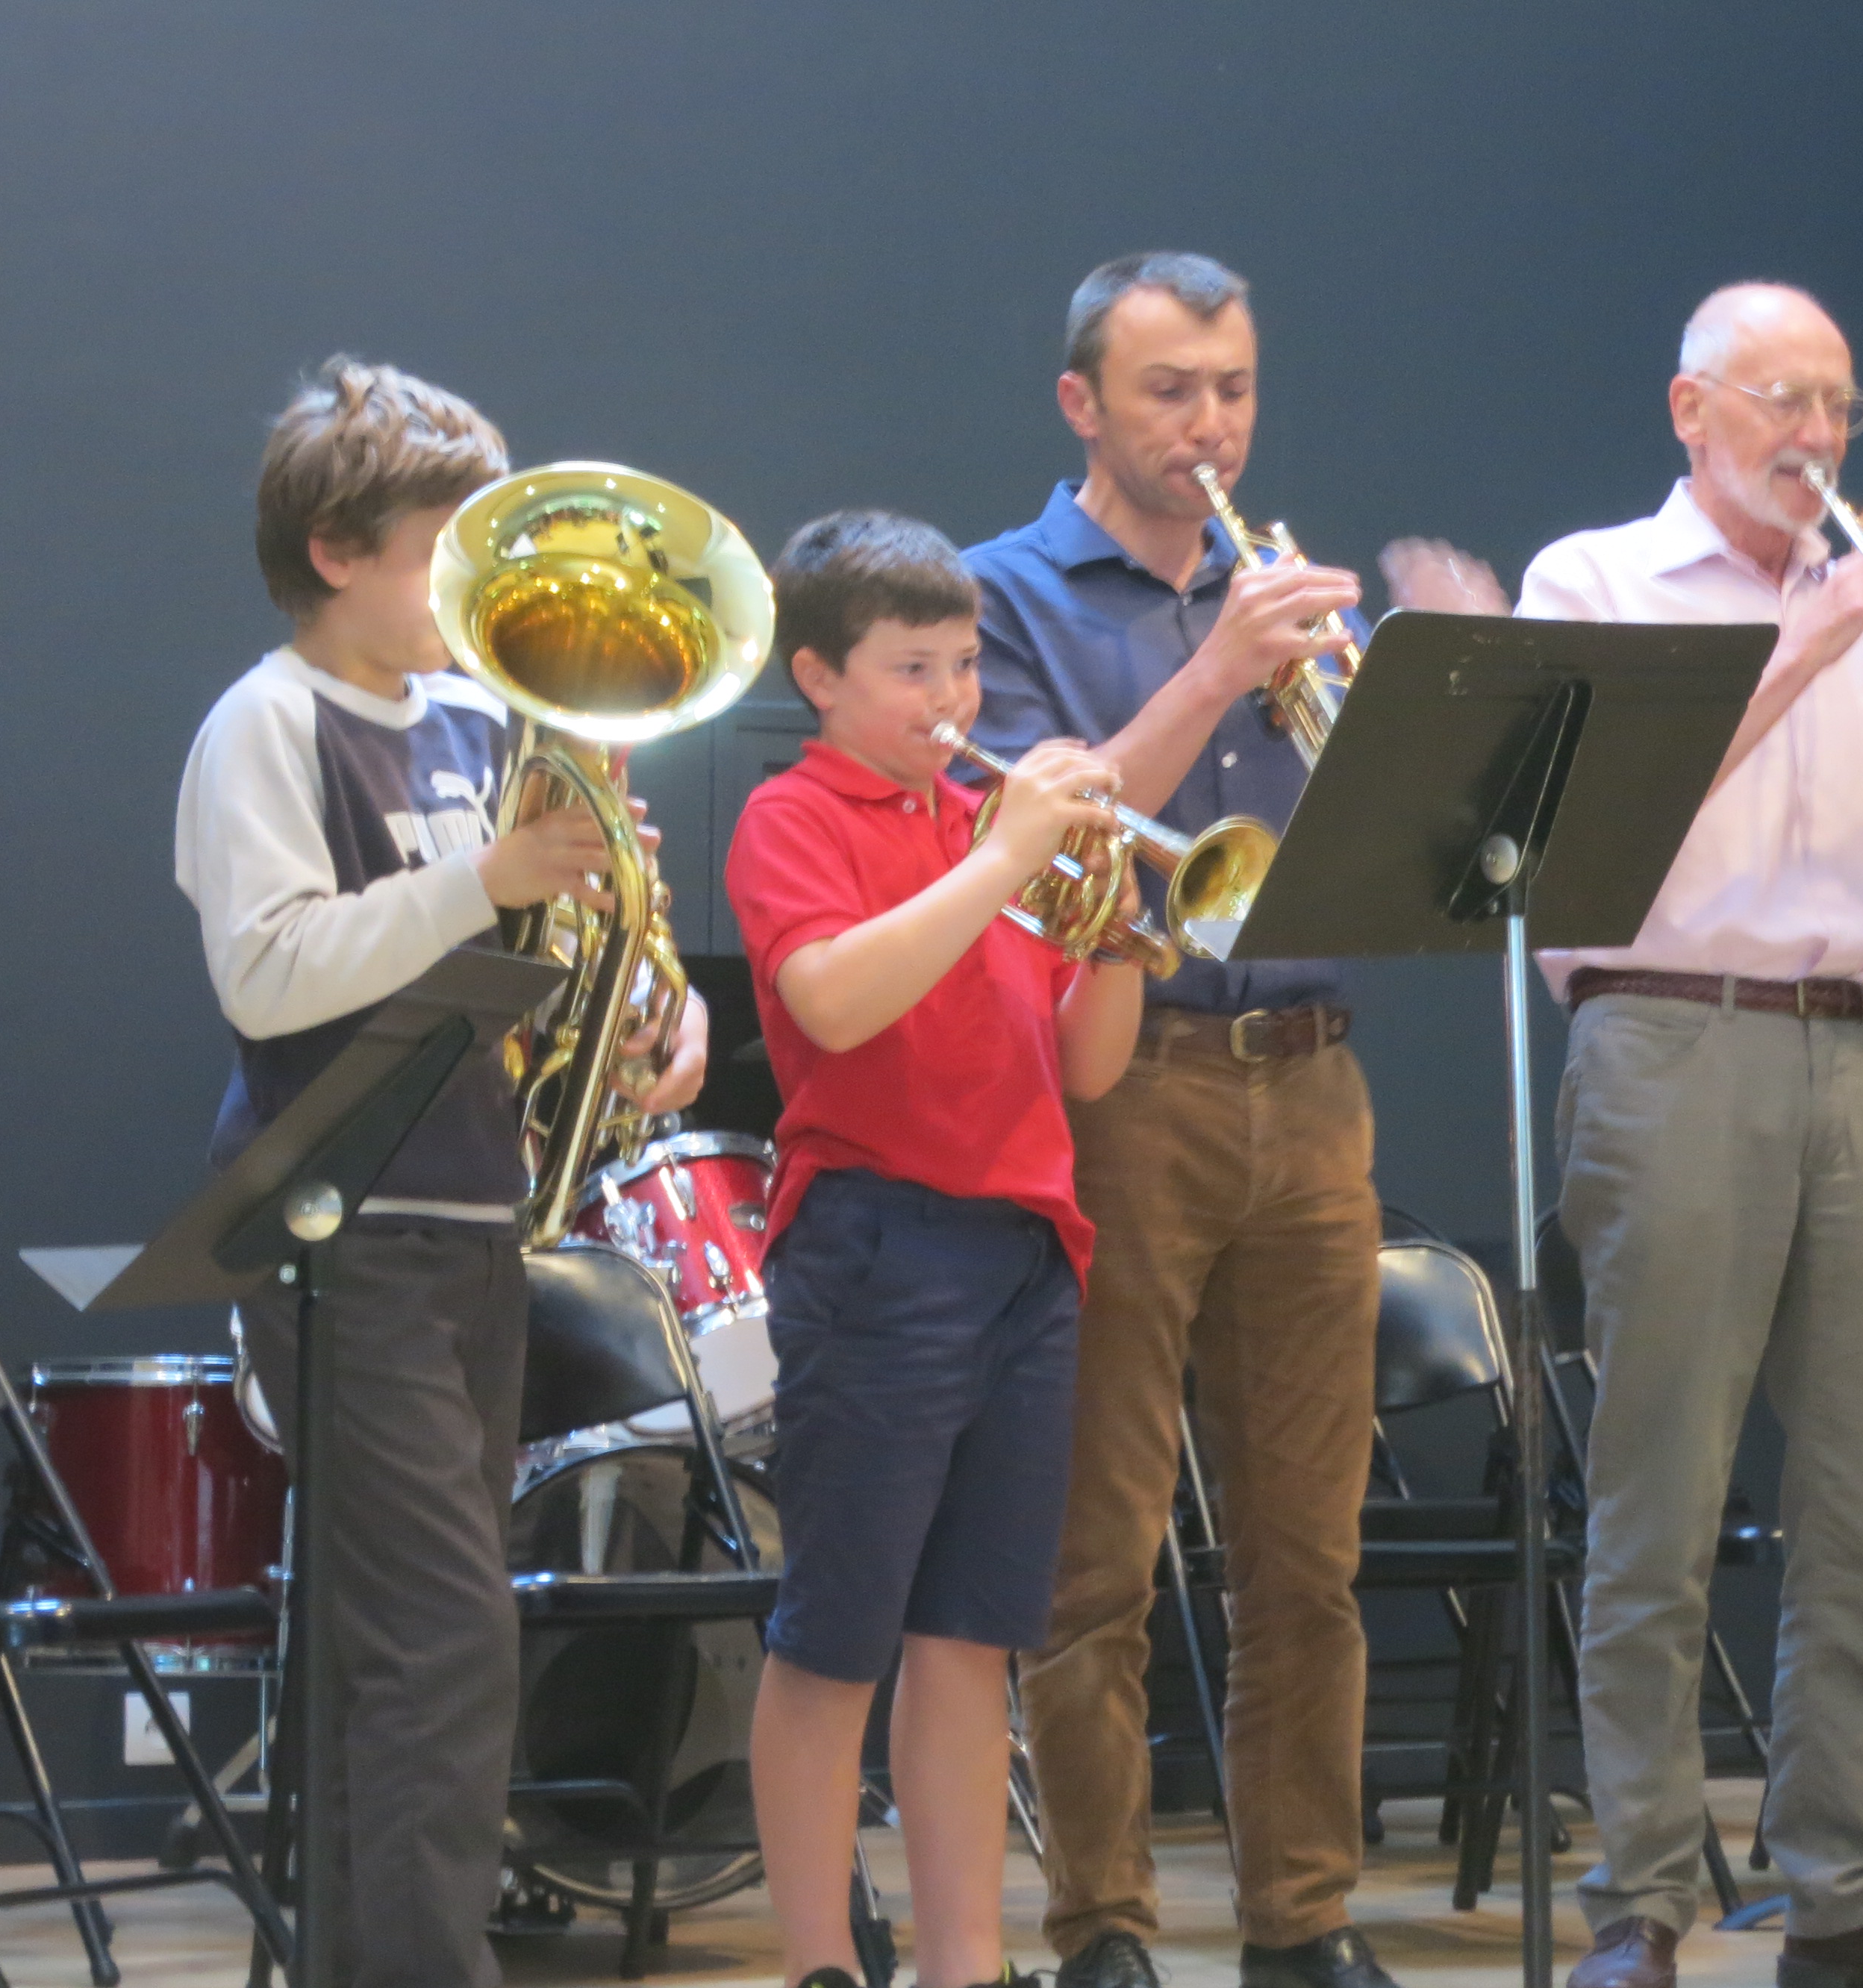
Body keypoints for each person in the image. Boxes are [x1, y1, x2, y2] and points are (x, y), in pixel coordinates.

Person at [1502, 281, 1863, 1988]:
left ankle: (1843, 1896)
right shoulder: (1590, 582)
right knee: (1657, 1498)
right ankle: (1639, 1905)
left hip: (1858, 1047)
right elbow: (1610, 812)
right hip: (1667, 1034)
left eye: (1836, 407)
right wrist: (1817, 638)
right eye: (1778, 400)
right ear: (1689, 409)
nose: (1813, 437)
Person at [179, 356, 708, 1988]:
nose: (472, 598)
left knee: (404, 1653)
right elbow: (268, 971)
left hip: (475, 1222)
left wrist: (646, 990)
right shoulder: (265, 723)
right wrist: (491, 877)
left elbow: (541, 949)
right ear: (336, 552)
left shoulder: (480, 720)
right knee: (440, 1643)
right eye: (438, 557)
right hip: (341, 1234)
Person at [966, 249, 1403, 1988]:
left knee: (1307, 1554)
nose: (1208, 424)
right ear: (1080, 403)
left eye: (1232, 388)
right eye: (1169, 391)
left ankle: (1301, 1919)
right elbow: (1047, 850)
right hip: (1120, 1084)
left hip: (1313, 1081)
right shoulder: (999, 597)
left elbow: (1387, 853)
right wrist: (1219, 669)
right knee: (1097, 1548)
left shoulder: (1276, 596)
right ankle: (1103, 1927)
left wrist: (1401, 708)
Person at [725, 510, 1144, 1988]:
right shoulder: (794, 817)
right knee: (838, 1635)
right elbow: (837, 1001)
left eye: (965, 665)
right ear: (820, 678)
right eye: (913, 669)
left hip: (1026, 1250)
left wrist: (1117, 934)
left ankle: (965, 1963)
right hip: (877, 1248)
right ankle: (819, 1964)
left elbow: (1087, 1068)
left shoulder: (984, 828)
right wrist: (1002, 853)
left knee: (971, 1637)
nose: (952, 700)